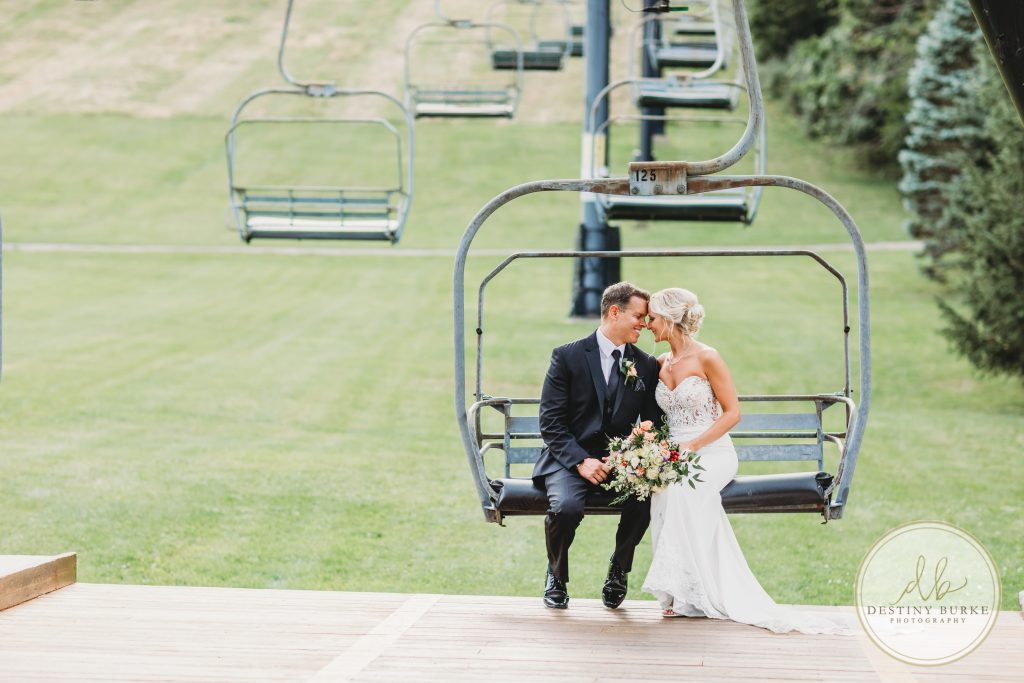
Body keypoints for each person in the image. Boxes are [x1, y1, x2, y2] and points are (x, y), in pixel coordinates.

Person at [641, 287, 853, 634]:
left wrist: (694, 445)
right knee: (663, 493)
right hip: (675, 455)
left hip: (712, 453)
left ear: (668, 319)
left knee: (680, 490)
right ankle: (680, 593)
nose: (649, 324)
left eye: (652, 318)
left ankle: (689, 592)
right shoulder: (660, 364)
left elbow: (732, 413)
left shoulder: (708, 357)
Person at [534, 282, 663, 609]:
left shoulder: (646, 365)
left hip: (619, 462)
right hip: (568, 461)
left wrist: (631, 456)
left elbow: (653, 423)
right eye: (638, 316)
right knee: (565, 508)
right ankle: (556, 574)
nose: (644, 325)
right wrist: (581, 461)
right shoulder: (568, 356)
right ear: (614, 312)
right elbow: (551, 422)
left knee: (645, 497)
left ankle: (619, 568)